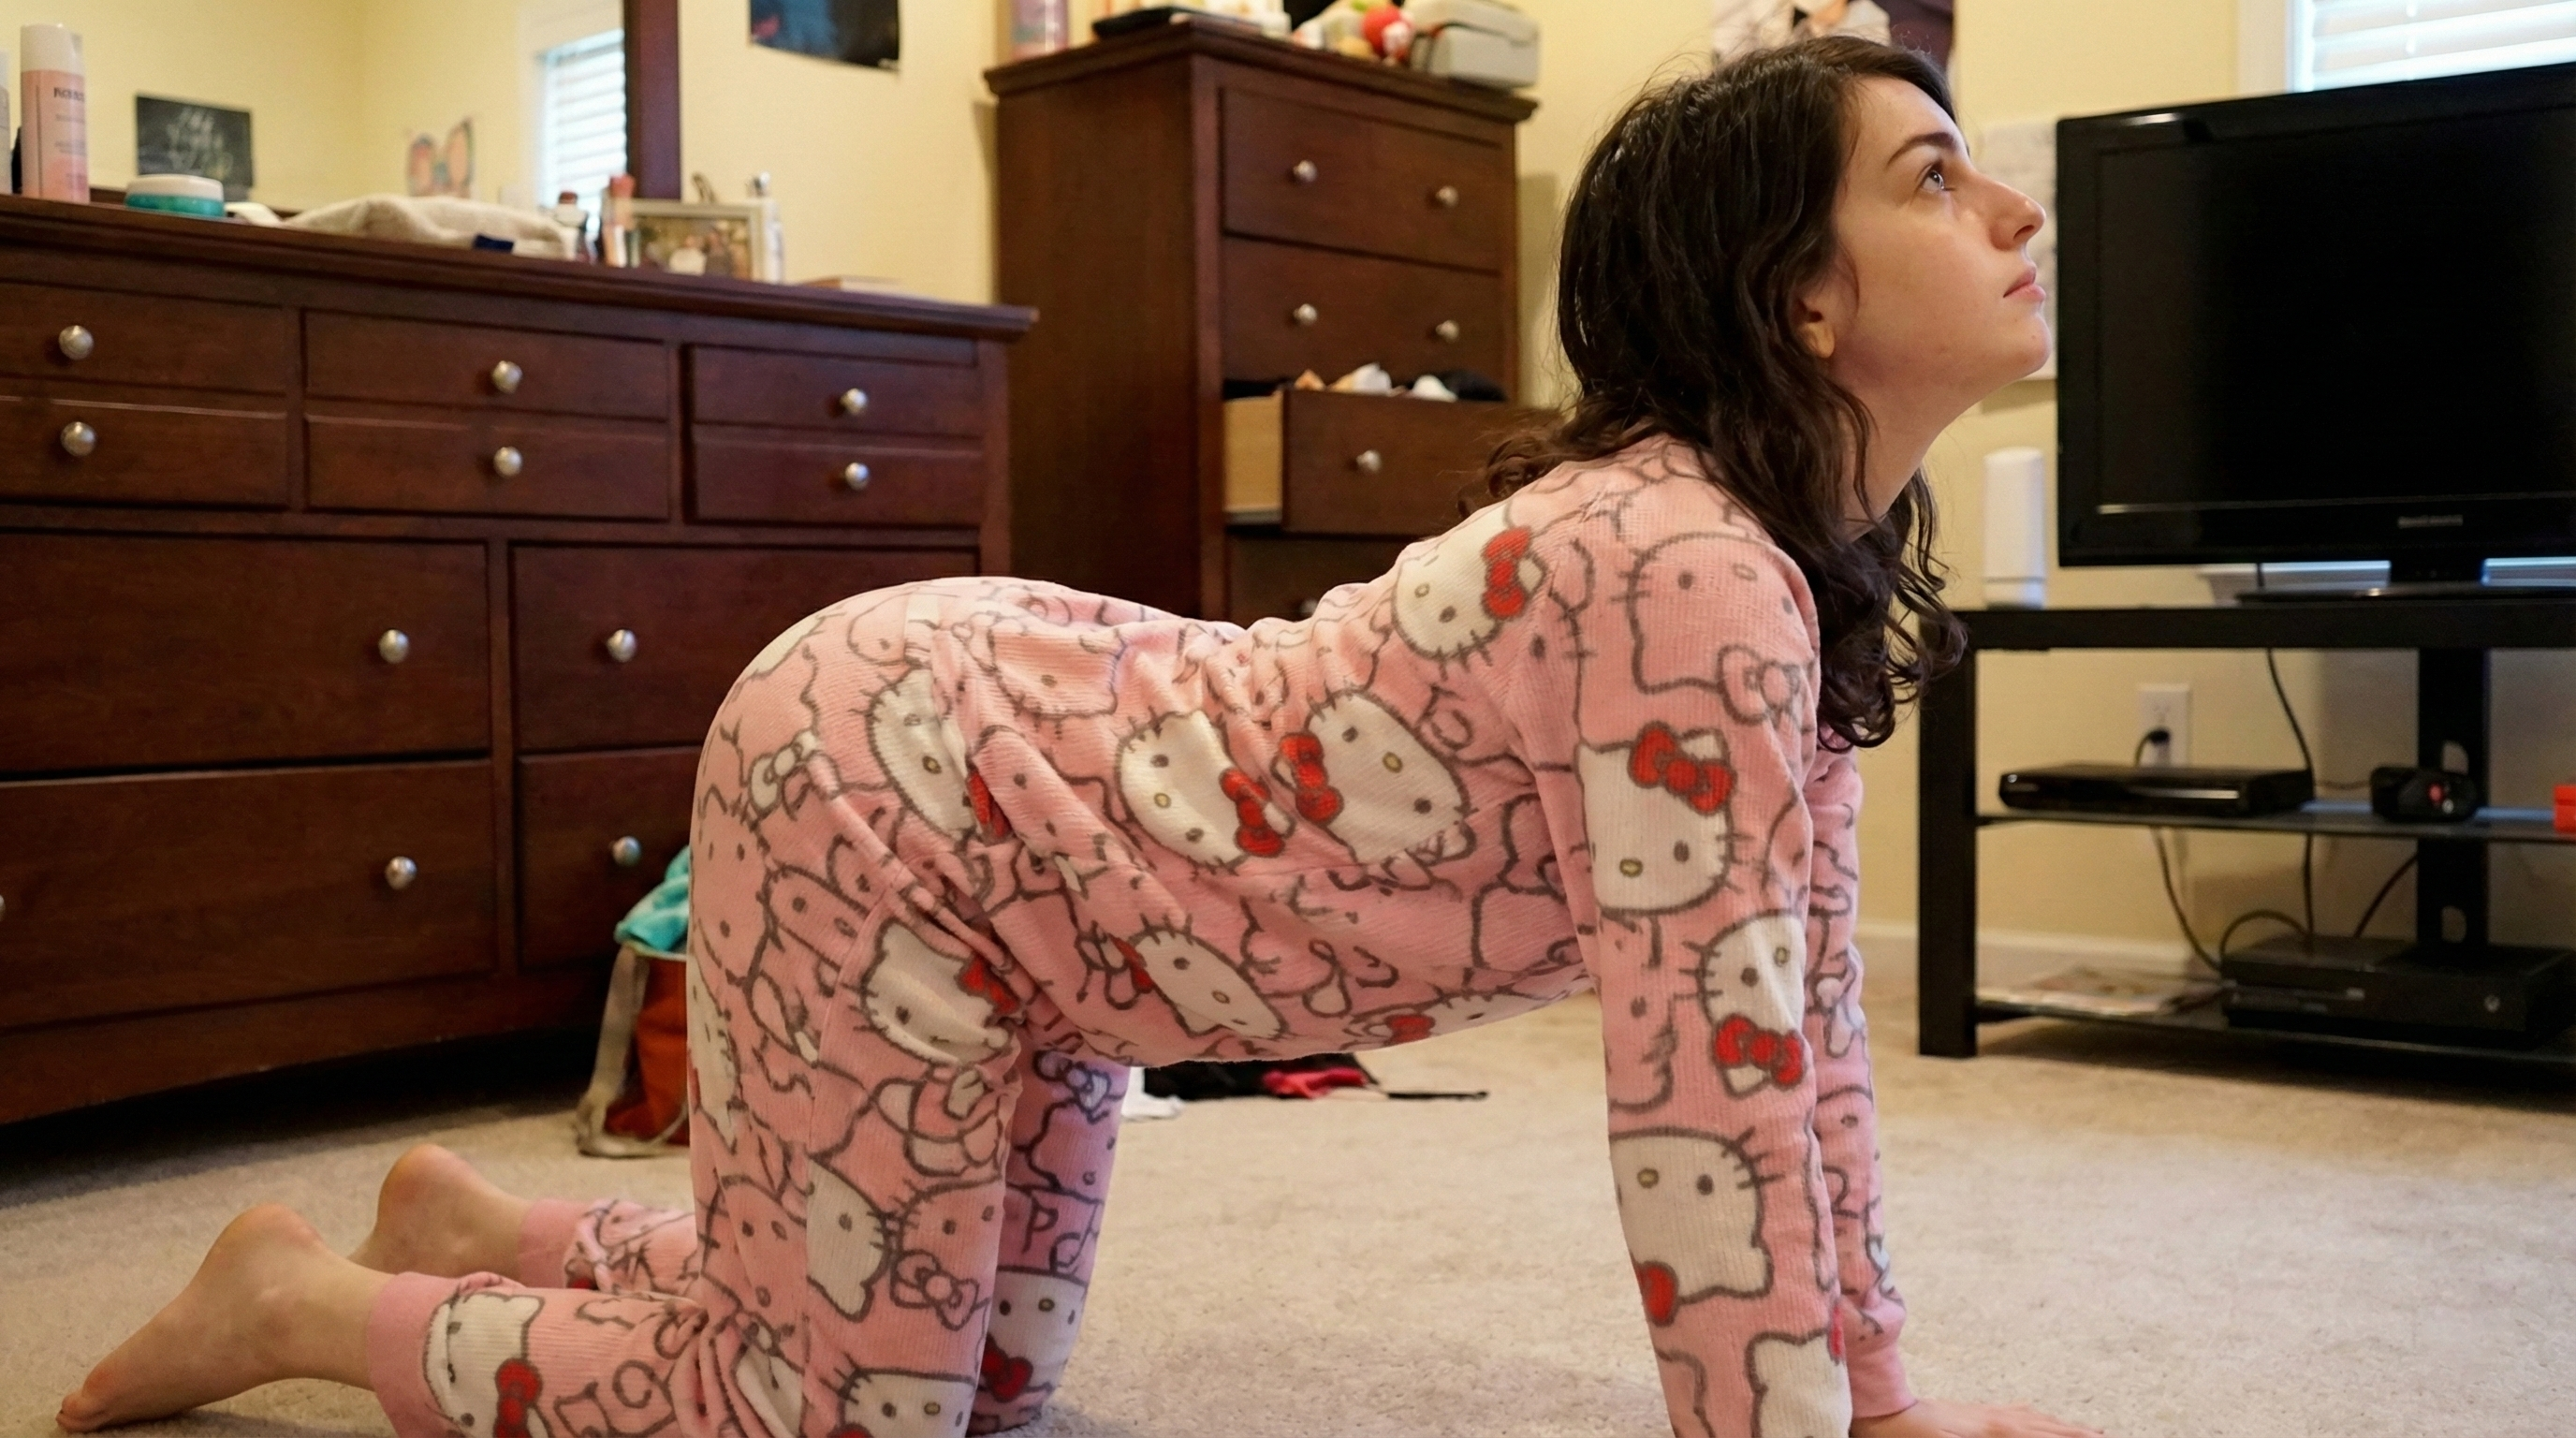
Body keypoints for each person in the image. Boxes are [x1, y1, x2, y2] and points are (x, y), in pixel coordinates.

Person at [60, 36, 2104, 1438]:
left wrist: (1883, 1399)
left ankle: (501, 1236)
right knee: (822, 1416)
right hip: (905, 779)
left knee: (977, 1387)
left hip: (1061, 907)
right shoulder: (1679, 567)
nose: (2014, 207)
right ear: (1794, 301)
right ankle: (306, 1307)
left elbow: (1795, 1045)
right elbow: (1704, 1123)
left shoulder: (1776, 581)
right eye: (1934, 177)